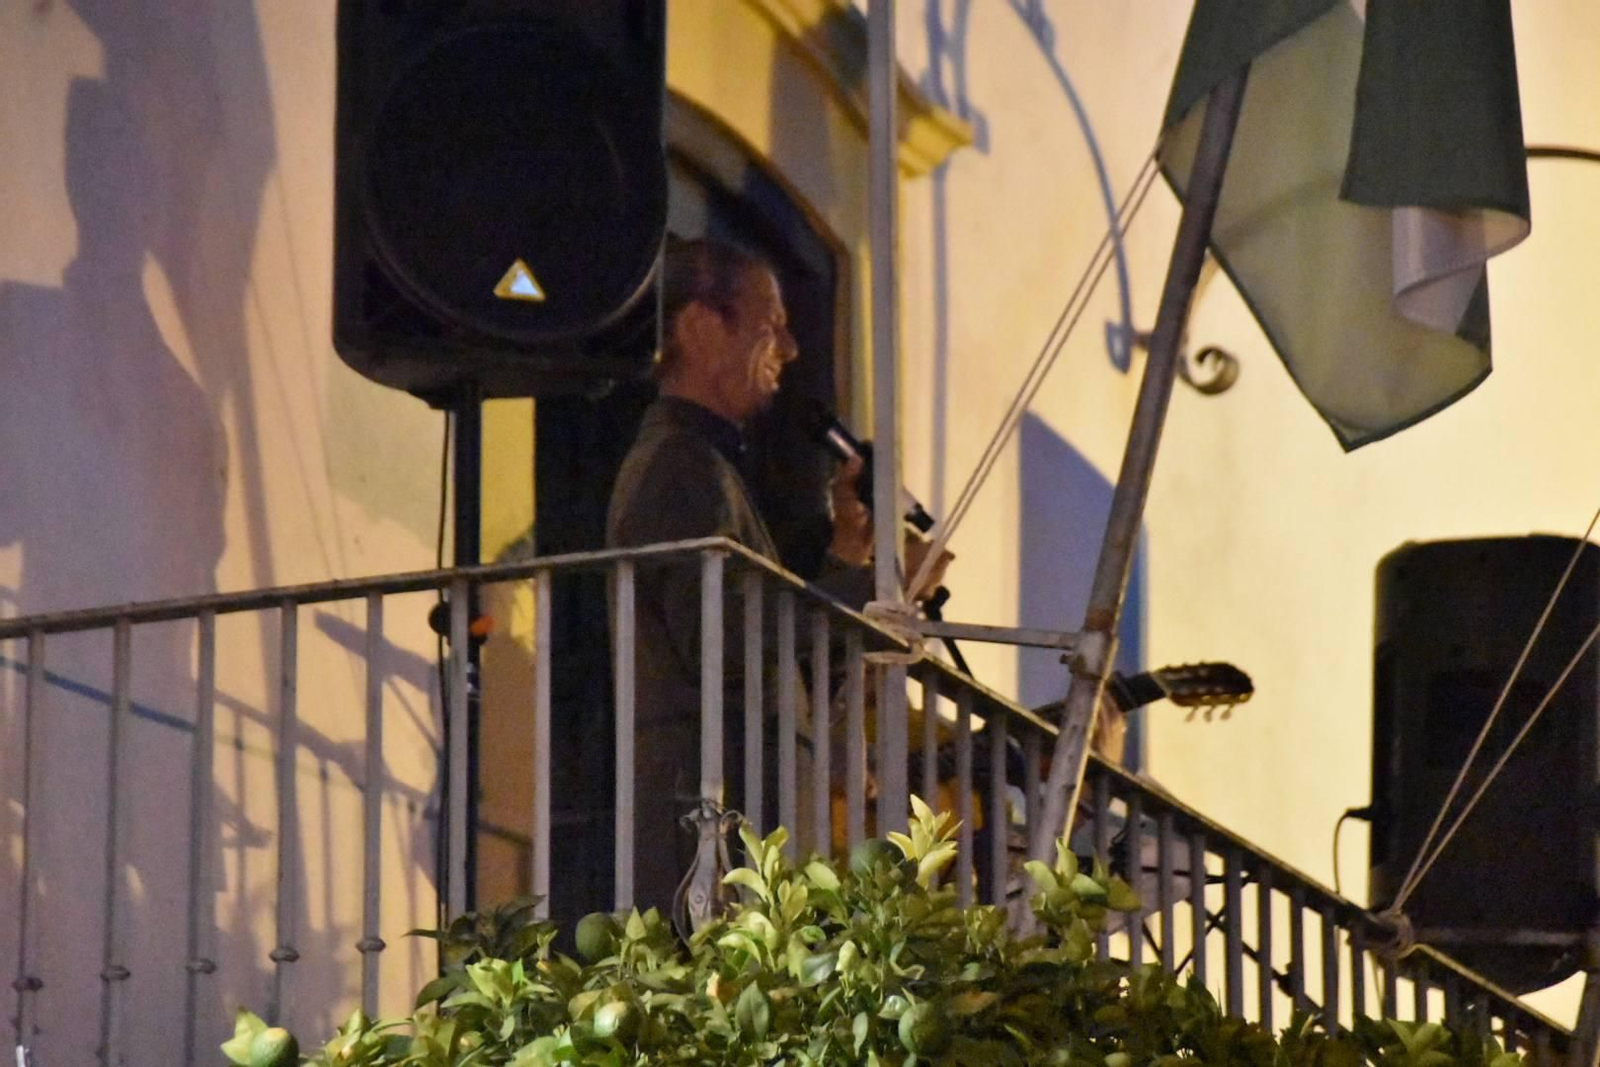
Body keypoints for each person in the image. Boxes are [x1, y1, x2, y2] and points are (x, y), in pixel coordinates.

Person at [606, 238, 947, 916]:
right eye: (771, 325)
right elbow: (725, 640)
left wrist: (850, 556)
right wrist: (876, 591)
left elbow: (783, 673)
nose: (790, 349)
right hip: (710, 833)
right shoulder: (681, 465)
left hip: (745, 826)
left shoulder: (706, 467)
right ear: (702, 326)